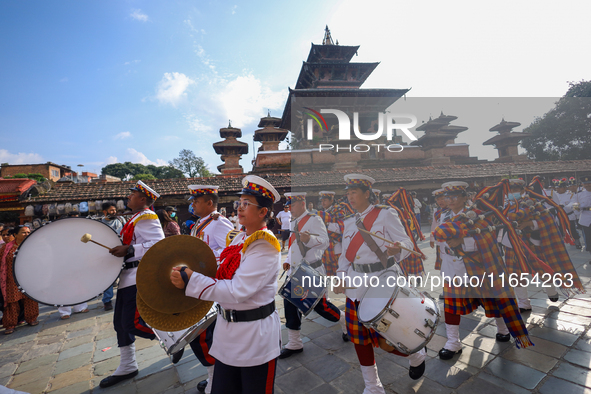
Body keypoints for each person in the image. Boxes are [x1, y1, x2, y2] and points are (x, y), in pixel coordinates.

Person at [171, 175, 281, 394]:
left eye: (247, 204)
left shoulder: (264, 245)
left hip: (253, 337)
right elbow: (219, 270)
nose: (240, 208)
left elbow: (237, 290)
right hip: (226, 334)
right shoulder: (240, 238)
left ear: (263, 213)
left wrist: (191, 280)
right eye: (239, 203)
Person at [333, 174, 425, 392]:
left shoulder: (385, 214)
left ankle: (415, 354)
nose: (350, 196)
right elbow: (346, 257)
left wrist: (397, 248)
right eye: (348, 192)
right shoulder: (348, 221)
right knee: (359, 338)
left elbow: (405, 241)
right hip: (356, 286)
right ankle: (373, 386)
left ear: (367, 193)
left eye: (353, 192)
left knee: (389, 335)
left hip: (382, 281)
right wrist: (340, 276)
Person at [433, 181, 533, 362]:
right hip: (451, 268)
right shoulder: (442, 214)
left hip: (476, 265)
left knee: (492, 298)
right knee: (451, 306)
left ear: (465, 197)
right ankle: (453, 343)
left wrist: (462, 243)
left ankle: (502, 330)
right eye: (447, 197)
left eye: (455, 196)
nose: (450, 200)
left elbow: (488, 238)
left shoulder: (477, 214)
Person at [99, 180, 165, 388]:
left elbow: (158, 244)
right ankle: (128, 365)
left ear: (143, 199)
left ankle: (175, 337)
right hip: (127, 277)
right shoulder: (134, 218)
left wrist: (129, 250)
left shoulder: (148, 216)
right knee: (120, 325)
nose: (128, 197)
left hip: (138, 275)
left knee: (131, 323)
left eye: (132, 195)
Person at [279, 192, 348, 360]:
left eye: (292, 205)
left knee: (320, 307)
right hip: (295, 271)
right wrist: (288, 259)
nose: (290, 209)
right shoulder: (294, 221)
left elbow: (324, 241)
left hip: (311, 271)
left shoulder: (314, 219)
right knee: (290, 304)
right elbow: (293, 245)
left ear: (302, 203)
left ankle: (346, 322)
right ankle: (295, 342)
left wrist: (309, 239)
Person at [182, 185, 234, 394]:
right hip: (200, 283)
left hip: (210, 284)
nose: (192, 204)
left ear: (210, 203)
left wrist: (204, 260)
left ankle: (216, 380)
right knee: (203, 337)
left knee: (204, 337)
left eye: (196, 200)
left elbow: (230, 252)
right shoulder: (200, 224)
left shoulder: (218, 222)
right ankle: (215, 376)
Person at [0, 226, 39, 334]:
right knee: (12, 302)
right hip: (11, 279)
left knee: (30, 299)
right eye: (23, 232)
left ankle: (31, 319)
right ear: (15, 235)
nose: (27, 234)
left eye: (28, 232)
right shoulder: (6, 248)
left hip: (29, 277)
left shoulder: (32, 246)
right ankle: (10, 324)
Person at [100, 201, 127, 311]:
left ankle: (124, 298)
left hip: (122, 253)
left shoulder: (121, 220)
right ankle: (107, 301)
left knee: (124, 276)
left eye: (115, 210)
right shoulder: (100, 224)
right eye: (111, 210)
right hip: (107, 254)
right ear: (105, 212)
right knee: (109, 278)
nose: (114, 212)